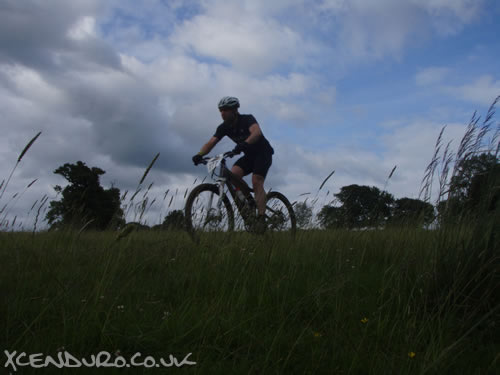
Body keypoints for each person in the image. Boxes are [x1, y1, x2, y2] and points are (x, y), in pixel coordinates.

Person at [192, 96, 274, 233]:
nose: (222, 113)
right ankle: (248, 201)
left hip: (263, 154)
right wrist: (200, 154)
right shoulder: (224, 127)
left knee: (256, 181)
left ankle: (261, 218)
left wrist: (245, 143)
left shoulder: (247, 119)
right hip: (249, 156)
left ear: (235, 110)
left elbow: (256, 132)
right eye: (220, 110)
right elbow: (211, 142)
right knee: (233, 175)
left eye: (225, 110)